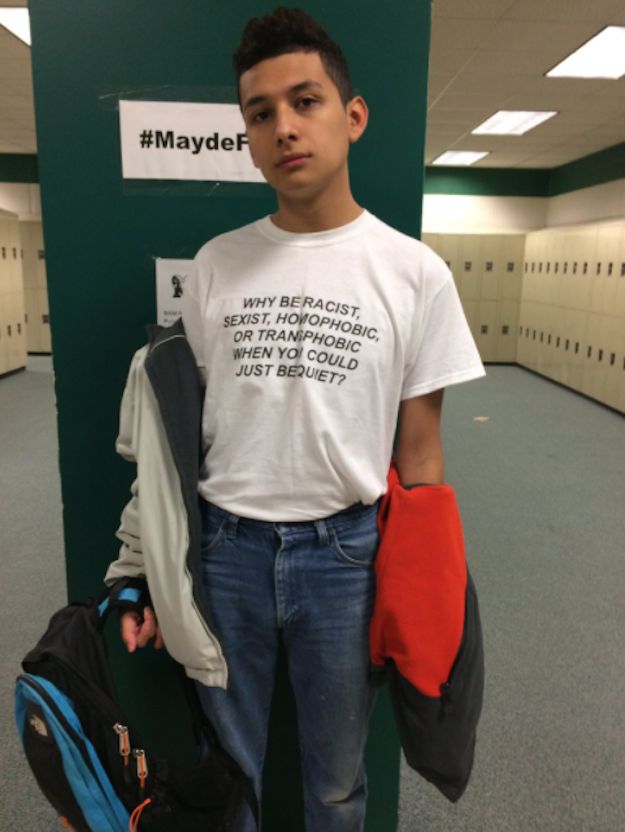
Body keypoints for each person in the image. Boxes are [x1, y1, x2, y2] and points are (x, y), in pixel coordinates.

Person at [114, 7, 485, 831]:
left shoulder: (414, 275)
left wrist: (432, 596)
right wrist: (144, 570)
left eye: (305, 101)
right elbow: (174, 447)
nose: (284, 127)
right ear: (246, 135)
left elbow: (422, 461)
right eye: (260, 112)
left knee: (335, 786)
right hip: (225, 552)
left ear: (351, 117)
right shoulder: (216, 265)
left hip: (343, 561)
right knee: (230, 775)